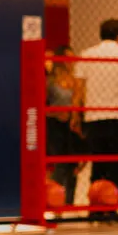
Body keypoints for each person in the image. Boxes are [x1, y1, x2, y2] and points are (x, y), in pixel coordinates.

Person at [75, 19, 118, 209]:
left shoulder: (86, 55)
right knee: (117, 163)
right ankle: (112, 205)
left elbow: (79, 90)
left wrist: (76, 116)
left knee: (98, 162)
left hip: (93, 117)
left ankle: (95, 207)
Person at [45, 45, 84, 204]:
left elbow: (79, 101)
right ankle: (55, 201)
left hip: (72, 123)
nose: (70, 62)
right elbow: (43, 104)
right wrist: (56, 112)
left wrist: (75, 116)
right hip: (55, 123)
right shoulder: (51, 80)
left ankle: (69, 203)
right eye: (67, 58)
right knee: (60, 163)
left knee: (73, 166)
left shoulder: (76, 79)